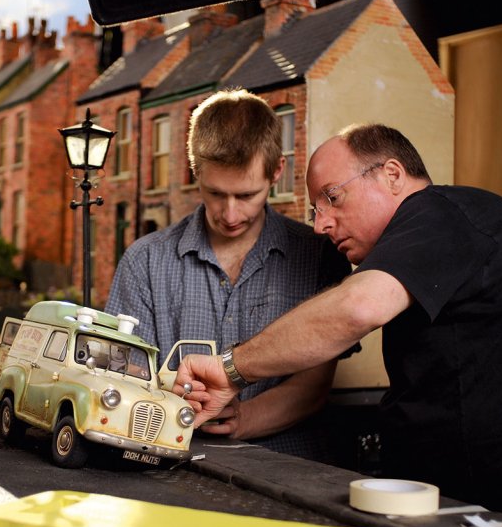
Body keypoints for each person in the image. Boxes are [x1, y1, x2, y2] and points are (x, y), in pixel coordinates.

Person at [173, 123, 502, 527]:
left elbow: (357, 307)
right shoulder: (421, 249)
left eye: (333, 197)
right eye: (315, 208)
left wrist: (230, 369)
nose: (321, 223)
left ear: (392, 174)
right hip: (470, 517)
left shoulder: (444, 214)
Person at [105, 88, 354, 460]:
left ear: (277, 172)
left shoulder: (320, 255)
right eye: (216, 193)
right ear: (195, 172)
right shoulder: (144, 261)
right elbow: (120, 377)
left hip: (294, 472)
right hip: (171, 470)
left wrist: (243, 419)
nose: (231, 214)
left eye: (247, 195)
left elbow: (315, 383)